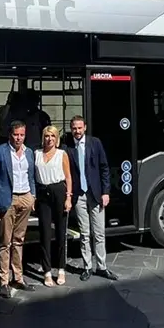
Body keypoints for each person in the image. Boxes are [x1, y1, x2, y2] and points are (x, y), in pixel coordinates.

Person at [0, 119, 37, 298]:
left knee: (19, 240)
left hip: (25, 198)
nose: (19, 138)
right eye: (16, 134)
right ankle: (3, 281)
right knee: (5, 242)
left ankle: (19, 278)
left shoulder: (29, 153)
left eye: (22, 135)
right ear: (10, 135)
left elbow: (31, 175)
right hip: (7, 200)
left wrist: (33, 196)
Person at [65, 115, 117, 281]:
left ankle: (102, 267)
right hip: (79, 195)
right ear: (71, 129)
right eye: (74, 128)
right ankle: (87, 266)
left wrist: (106, 192)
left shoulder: (95, 143)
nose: (77, 131)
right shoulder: (67, 147)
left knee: (99, 233)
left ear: (85, 127)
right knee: (85, 233)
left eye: (80, 128)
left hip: (96, 194)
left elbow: (104, 168)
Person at [34, 125, 72, 286]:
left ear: (57, 139)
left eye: (52, 136)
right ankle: (47, 271)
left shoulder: (62, 154)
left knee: (61, 232)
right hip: (43, 192)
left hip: (58, 190)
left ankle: (61, 269)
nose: (49, 139)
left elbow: (69, 177)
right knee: (44, 232)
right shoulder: (36, 154)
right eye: (47, 136)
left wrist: (68, 197)